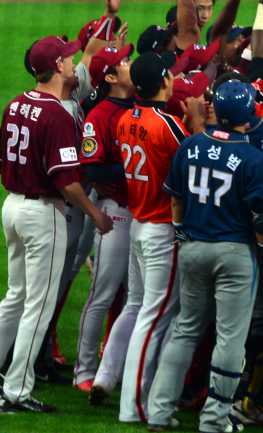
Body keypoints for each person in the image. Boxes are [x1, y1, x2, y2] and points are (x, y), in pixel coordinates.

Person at [147, 80, 263, 433]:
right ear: (249, 113)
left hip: (192, 246)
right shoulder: (254, 158)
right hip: (235, 255)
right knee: (229, 339)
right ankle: (214, 420)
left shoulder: (189, 145)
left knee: (185, 330)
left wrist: (180, 235)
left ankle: (159, 414)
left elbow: (175, 200)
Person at [0, 36, 113, 413]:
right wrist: (95, 215)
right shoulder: (57, 114)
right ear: (58, 66)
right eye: (68, 57)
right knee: (39, 305)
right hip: (42, 214)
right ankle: (16, 392)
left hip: (12, 207)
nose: (72, 60)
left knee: (16, 296)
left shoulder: (16, 104)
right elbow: (66, 181)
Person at [91, 51, 188, 422]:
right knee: (153, 317)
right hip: (163, 229)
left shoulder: (125, 119)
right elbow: (190, 160)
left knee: (137, 307)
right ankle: (134, 406)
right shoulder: (168, 123)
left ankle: (112, 381)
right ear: (165, 82)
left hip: (136, 224)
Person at [73, 44, 135, 392]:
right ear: (110, 77)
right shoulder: (100, 115)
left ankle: (116, 370)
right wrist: (133, 167)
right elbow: (92, 170)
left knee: (132, 300)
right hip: (116, 215)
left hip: (145, 217)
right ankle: (83, 371)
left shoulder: (140, 104)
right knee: (104, 293)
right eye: (123, 62)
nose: (129, 63)